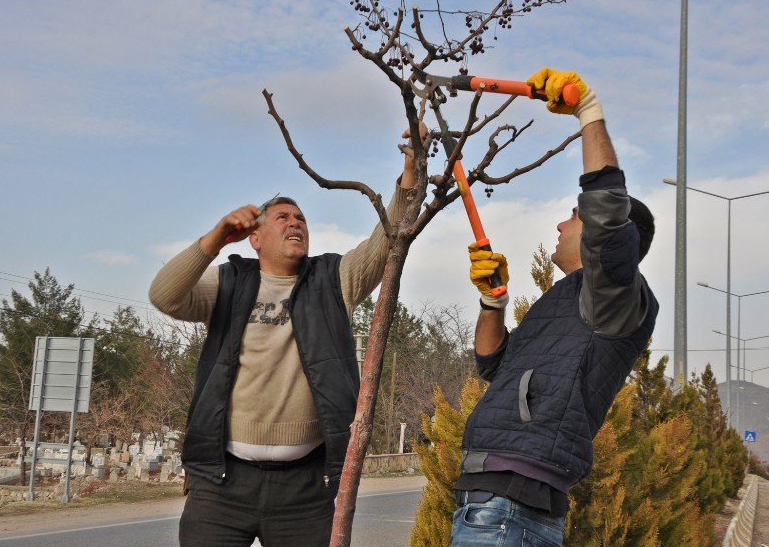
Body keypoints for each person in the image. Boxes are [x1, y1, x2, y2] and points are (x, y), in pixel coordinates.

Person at [149, 126, 424, 547]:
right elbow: (164, 295)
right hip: (221, 484)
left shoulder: (333, 281)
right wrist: (215, 238)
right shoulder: (229, 285)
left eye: (301, 219)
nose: (295, 223)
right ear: (254, 237)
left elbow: (386, 244)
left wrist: (410, 170)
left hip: (305, 491)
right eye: (282, 217)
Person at [450, 68, 658, 547]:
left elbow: (607, 212)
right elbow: (491, 366)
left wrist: (587, 110)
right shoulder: (568, 299)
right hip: (493, 502)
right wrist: (492, 302)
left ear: (605, 237)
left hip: (508, 508)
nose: (561, 224)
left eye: (573, 215)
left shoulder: (615, 297)